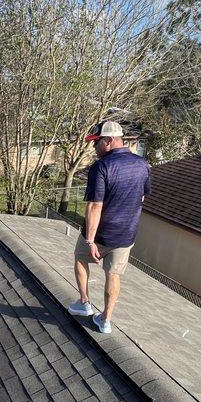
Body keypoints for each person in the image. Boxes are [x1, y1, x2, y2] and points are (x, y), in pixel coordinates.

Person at [68, 120, 152, 334]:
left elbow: (95, 205)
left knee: (80, 258)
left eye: (96, 142)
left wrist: (90, 240)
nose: (93, 146)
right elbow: (142, 196)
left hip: (100, 233)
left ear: (108, 140)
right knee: (113, 275)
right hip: (126, 234)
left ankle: (84, 302)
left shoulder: (101, 166)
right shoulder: (142, 164)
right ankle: (106, 320)